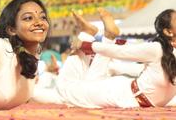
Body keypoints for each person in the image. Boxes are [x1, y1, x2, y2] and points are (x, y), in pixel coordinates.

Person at [33, 9, 176, 108]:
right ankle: (98, 36)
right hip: (120, 94)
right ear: (168, 32)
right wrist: (86, 45)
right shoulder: (157, 49)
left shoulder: (166, 52)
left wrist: (87, 43)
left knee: (68, 92)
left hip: (125, 93)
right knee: (65, 89)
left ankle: (97, 34)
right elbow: (120, 52)